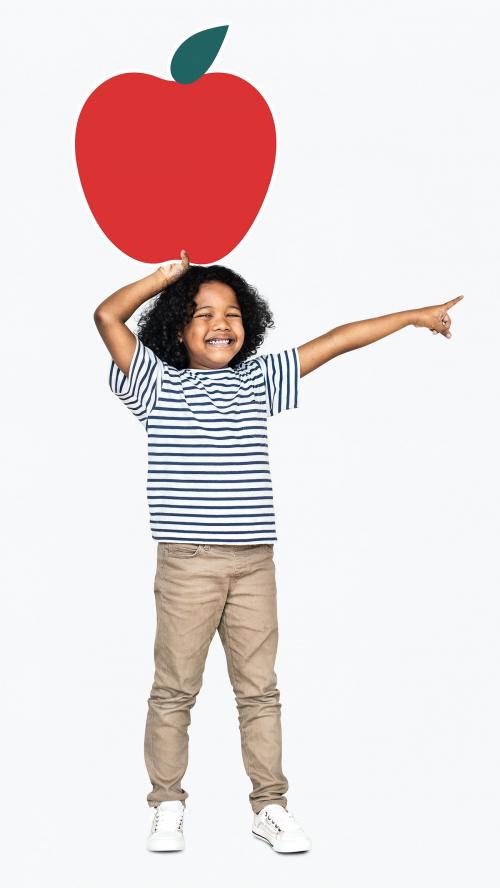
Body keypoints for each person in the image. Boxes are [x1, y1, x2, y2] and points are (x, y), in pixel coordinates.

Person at [93, 251, 464, 854]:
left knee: (259, 691)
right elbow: (108, 315)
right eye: (203, 312)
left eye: (232, 313)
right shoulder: (154, 383)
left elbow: (339, 339)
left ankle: (269, 805)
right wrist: (166, 277)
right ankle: (166, 803)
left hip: (253, 564)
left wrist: (417, 316)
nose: (221, 322)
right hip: (187, 564)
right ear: (175, 327)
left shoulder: (257, 380)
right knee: (174, 690)